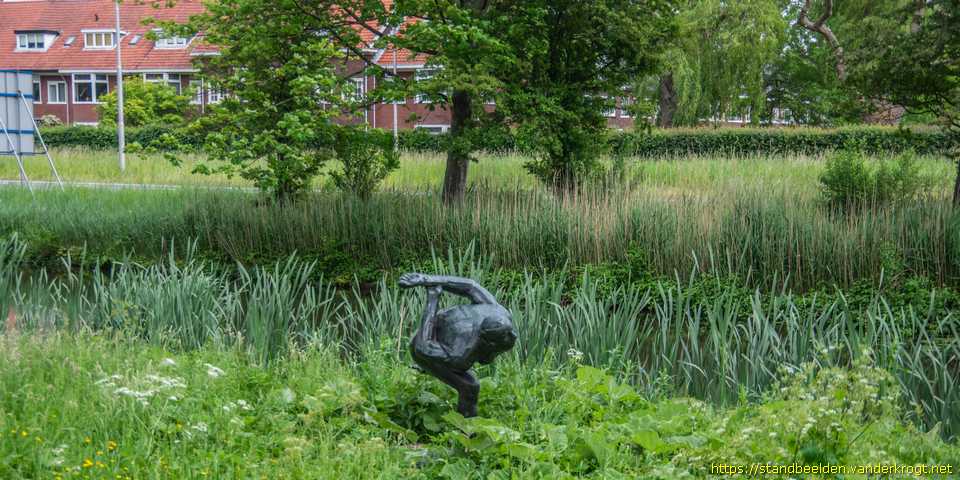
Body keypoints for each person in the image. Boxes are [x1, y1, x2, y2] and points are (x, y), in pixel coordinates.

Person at [399, 273, 517, 418]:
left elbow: (470, 286)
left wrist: (429, 280)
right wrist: (432, 299)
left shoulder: (497, 310)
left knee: (486, 356)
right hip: (421, 347)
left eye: (509, 331)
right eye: (505, 335)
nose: (514, 335)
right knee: (470, 387)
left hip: (446, 333)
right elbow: (423, 347)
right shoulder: (461, 352)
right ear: (486, 341)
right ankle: (466, 431)